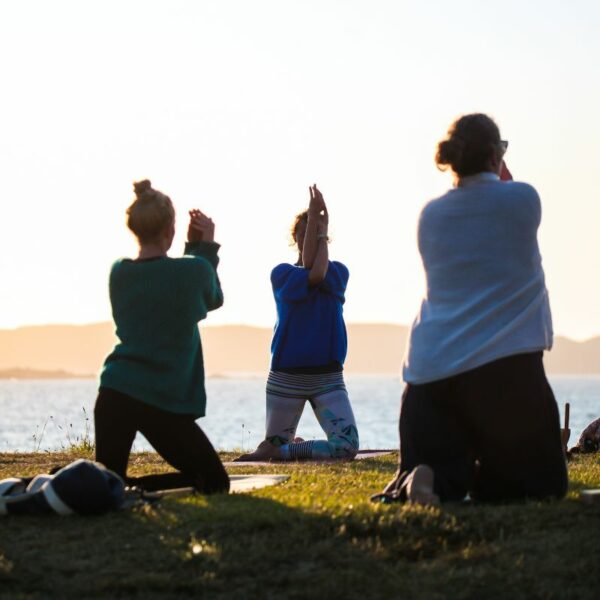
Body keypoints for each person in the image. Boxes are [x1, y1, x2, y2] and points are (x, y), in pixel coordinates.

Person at [372, 114, 568, 505]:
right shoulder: (524, 199)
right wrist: (500, 173)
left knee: (444, 467)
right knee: (539, 484)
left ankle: (426, 477)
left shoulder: (431, 214)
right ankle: (489, 476)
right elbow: (505, 205)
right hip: (504, 373)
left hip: (428, 381)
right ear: (497, 155)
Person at [94, 180, 229, 494]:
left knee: (106, 484)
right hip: (161, 401)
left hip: (116, 390)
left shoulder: (119, 272)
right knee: (214, 482)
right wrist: (203, 246)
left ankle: (123, 490)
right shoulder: (194, 271)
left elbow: (174, 285)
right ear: (171, 229)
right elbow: (211, 296)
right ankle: (132, 491)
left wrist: (195, 253)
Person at [235, 185, 359, 461]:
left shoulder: (339, 273)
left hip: (327, 377)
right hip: (287, 376)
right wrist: (316, 219)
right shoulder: (282, 275)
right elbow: (310, 274)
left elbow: (318, 272)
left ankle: (280, 451)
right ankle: (277, 447)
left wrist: (319, 229)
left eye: (315, 234)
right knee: (275, 442)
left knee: (346, 448)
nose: (310, 240)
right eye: (304, 234)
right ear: (295, 238)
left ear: (325, 236)